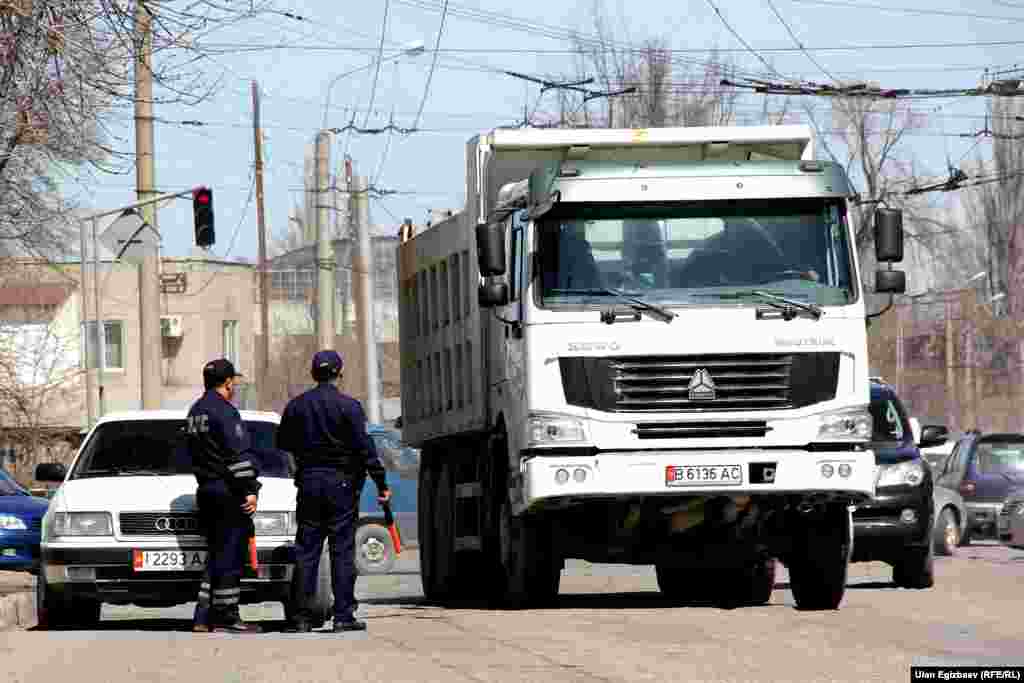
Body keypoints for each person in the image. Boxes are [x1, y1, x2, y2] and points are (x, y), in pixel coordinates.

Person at [278, 350, 391, 633]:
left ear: (314, 373)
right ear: (339, 373)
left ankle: (301, 617)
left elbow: (283, 447)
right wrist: (381, 484)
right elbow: (366, 450)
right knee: (341, 550)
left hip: (309, 483)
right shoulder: (349, 407)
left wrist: (299, 475)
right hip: (341, 485)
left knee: (306, 550)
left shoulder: (296, 406)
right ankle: (343, 615)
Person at [186, 358, 262, 634]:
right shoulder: (225, 412)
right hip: (227, 491)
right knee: (230, 554)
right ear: (228, 382)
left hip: (205, 490)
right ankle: (228, 616)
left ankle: (203, 616)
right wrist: (249, 490)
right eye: (234, 383)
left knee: (216, 555)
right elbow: (238, 457)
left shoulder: (194, 411)